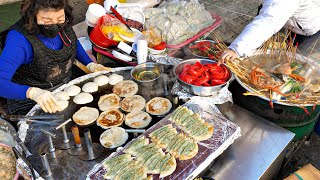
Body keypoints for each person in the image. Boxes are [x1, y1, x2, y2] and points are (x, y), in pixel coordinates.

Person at [0, 0, 109, 115]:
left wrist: (89, 64)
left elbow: (72, 43)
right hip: (31, 98)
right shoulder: (18, 41)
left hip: (64, 83)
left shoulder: (63, 22)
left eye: (60, 19)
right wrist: (32, 93)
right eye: (47, 20)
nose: (55, 25)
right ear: (32, 16)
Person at [219, 0, 320, 63]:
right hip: (292, 15)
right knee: (264, 48)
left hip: (306, 26)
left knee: (292, 60)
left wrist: (236, 49)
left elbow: (268, 22)